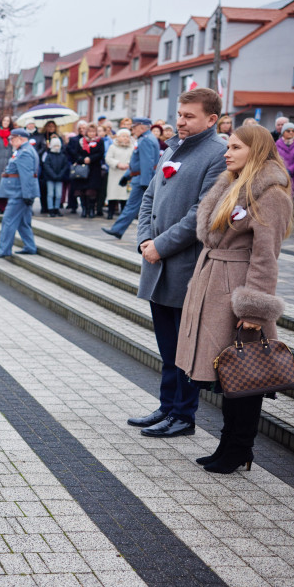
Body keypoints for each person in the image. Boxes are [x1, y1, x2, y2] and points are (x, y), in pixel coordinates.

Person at [175, 125, 293, 473]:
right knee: (229, 375)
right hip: (214, 286)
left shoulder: (270, 194)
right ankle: (228, 444)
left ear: (255, 151)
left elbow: (265, 256)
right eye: (228, 146)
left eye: (236, 147)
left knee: (245, 376)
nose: (227, 152)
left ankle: (239, 447)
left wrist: (254, 309)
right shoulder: (232, 185)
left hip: (238, 292)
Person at [127, 88, 226, 438]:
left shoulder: (218, 154)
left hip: (185, 266)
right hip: (157, 262)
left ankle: (184, 415)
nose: (180, 122)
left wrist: (161, 246)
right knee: (167, 347)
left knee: (187, 348)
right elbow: (148, 197)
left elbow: (201, 213)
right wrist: (143, 239)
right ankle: (167, 406)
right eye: (179, 115)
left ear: (211, 120)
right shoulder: (173, 147)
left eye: (189, 116)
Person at [102, 117, 159, 239]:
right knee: (138, 207)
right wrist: (126, 176)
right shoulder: (146, 138)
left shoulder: (146, 140)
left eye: (135, 127)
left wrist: (145, 182)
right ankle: (118, 229)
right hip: (140, 177)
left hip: (142, 179)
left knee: (133, 207)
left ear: (142, 127)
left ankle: (118, 230)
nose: (133, 129)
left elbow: (147, 163)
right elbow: (137, 162)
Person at [0, 128, 39, 257]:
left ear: (21, 139)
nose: (11, 142)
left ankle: (4, 250)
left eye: (13, 139)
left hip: (19, 193)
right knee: (23, 222)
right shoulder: (23, 150)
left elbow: (26, 176)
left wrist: (27, 195)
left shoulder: (24, 152)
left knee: (9, 221)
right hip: (21, 192)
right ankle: (30, 246)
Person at [104, 129, 133, 219]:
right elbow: (108, 158)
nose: (125, 138)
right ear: (118, 137)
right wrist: (117, 164)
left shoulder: (131, 147)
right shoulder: (113, 147)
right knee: (113, 194)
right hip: (115, 173)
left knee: (124, 196)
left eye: (127, 136)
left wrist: (128, 164)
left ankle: (123, 215)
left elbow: (134, 158)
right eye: (123, 136)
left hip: (127, 174)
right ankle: (110, 213)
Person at [40, 136, 70, 216]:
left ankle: (56, 208)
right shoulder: (48, 155)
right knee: (50, 194)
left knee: (58, 194)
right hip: (50, 178)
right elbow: (46, 166)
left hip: (59, 178)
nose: (56, 147)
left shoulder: (62, 156)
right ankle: (50, 209)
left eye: (58, 146)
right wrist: (53, 175)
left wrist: (60, 175)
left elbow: (65, 166)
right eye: (55, 146)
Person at [275, 122, 294, 195]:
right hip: (279, 175)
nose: (291, 132)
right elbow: (274, 158)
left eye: (293, 131)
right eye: (288, 131)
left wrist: (290, 170)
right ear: (283, 132)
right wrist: (282, 170)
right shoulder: (276, 145)